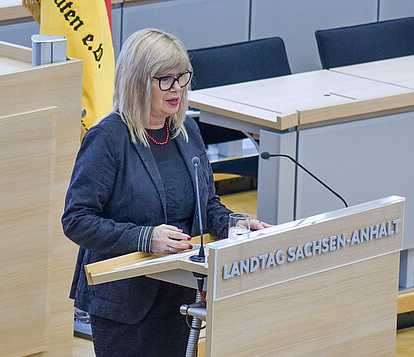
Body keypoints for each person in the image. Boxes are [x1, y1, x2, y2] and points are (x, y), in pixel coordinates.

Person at [62, 28, 270, 356]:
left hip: (180, 292)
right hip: (125, 302)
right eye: (165, 79)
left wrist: (234, 224)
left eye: (182, 77)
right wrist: (146, 238)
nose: (176, 88)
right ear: (137, 81)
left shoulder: (186, 130)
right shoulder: (108, 139)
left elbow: (207, 205)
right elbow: (77, 220)